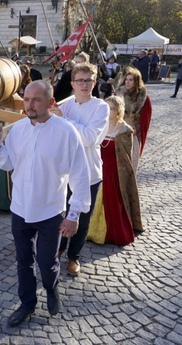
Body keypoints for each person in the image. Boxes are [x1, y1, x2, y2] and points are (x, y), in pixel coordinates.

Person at [0, 80, 91, 327]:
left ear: (51, 102)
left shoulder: (66, 132)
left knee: (46, 261)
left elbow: (80, 175)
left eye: (36, 100)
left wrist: (74, 214)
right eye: (26, 99)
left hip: (50, 211)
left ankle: (52, 288)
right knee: (23, 260)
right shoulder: (19, 129)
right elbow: (8, 164)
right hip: (20, 209)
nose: (30, 105)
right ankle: (27, 303)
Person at [51, 62, 109, 276]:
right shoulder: (65, 105)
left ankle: (73, 256)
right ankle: (58, 249)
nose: (84, 85)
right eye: (80, 81)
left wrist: (62, 120)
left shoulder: (101, 107)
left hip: (89, 172)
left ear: (94, 83)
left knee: (82, 218)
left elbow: (88, 137)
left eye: (88, 80)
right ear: (73, 83)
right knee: (61, 214)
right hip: (65, 173)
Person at [88, 96, 144, 246]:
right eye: (105, 108)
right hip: (97, 167)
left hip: (115, 172)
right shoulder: (100, 125)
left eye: (111, 108)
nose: (107, 111)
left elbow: (126, 156)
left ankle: (113, 232)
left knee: (112, 200)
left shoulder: (124, 130)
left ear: (118, 110)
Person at [116, 66, 152, 173]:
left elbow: (145, 118)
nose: (127, 82)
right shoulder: (118, 95)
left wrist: (137, 128)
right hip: (118, 130)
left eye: (131, 80)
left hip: (133, 132)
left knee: (132, 161)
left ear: (136, 81)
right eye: (126, 79)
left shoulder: (143, 98)